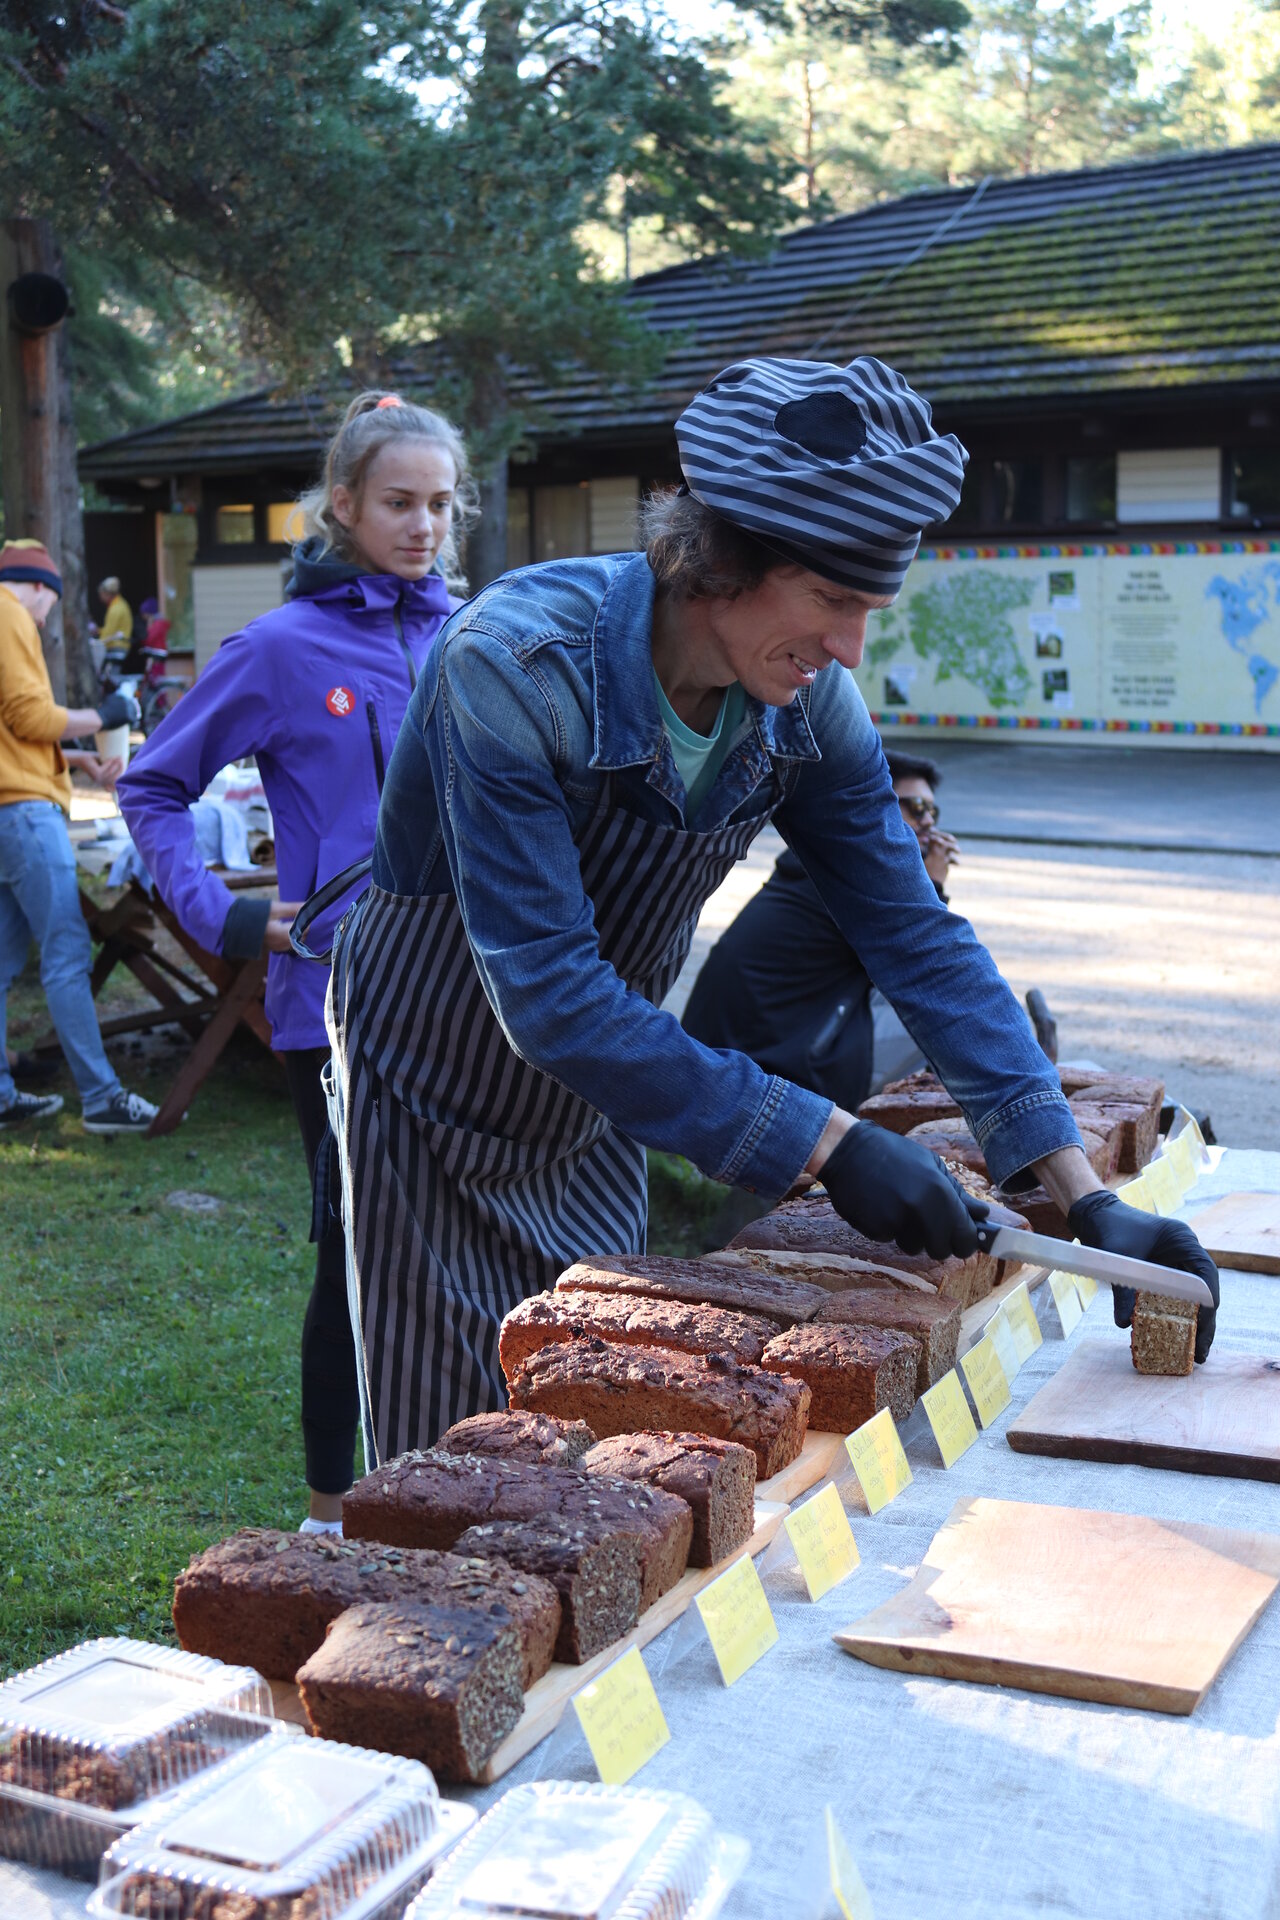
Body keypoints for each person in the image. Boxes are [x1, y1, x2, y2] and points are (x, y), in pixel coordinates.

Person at [323, 354, 1220, 1466]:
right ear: (722, 564)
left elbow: (912, 935)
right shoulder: (513, 667)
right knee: (454, 1451)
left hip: (607, 1094)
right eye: (832, 601)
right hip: (434, 1096)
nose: (849, 649)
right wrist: (827, 1140)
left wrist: (1076, 1192)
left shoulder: (804, 706)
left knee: (589, 1408)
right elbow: (549, 998)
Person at [119, 391, 470, 1534]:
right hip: (335, 1007)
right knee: (356, 1262)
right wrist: (220, 921)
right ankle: (331, 1515)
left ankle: (465, 1484)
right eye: (399, 503)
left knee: (470, 1252)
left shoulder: (470, 633)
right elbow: (153, 785)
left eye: (439, 504)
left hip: (476, 1000)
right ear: (342, 506)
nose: (422, 525)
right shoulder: (278, 649)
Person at [681, 748, 962, 1110]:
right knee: (947, 1007)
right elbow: (922, 961)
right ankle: (889, 1120)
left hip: (747, 1048)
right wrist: (934, 886)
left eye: (933, 811)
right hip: (769, 1070)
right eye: (916, 808)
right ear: (875, 803)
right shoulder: (854, 877)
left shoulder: (825, 859)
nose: (928, 822)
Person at [0, 539, 158, 1132]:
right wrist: (107, 716)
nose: (46, 619)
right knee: (67, 953)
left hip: (6, 808)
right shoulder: (11, 613)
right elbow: (28, 715)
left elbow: (10, 731)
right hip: (23, 815)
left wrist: (75, 760)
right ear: (39, 586)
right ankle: (101, 1097)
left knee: (2, 962)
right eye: (50, 604)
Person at [95, 576, 134, 669]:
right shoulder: (120, 604)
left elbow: (109, 632)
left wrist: (96, 643)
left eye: (101, 594)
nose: (100, 598)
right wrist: (99, 631)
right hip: (121, 646)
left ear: (108, 594)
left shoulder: (115, 609)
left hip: (116, 647)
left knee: (109, 678)